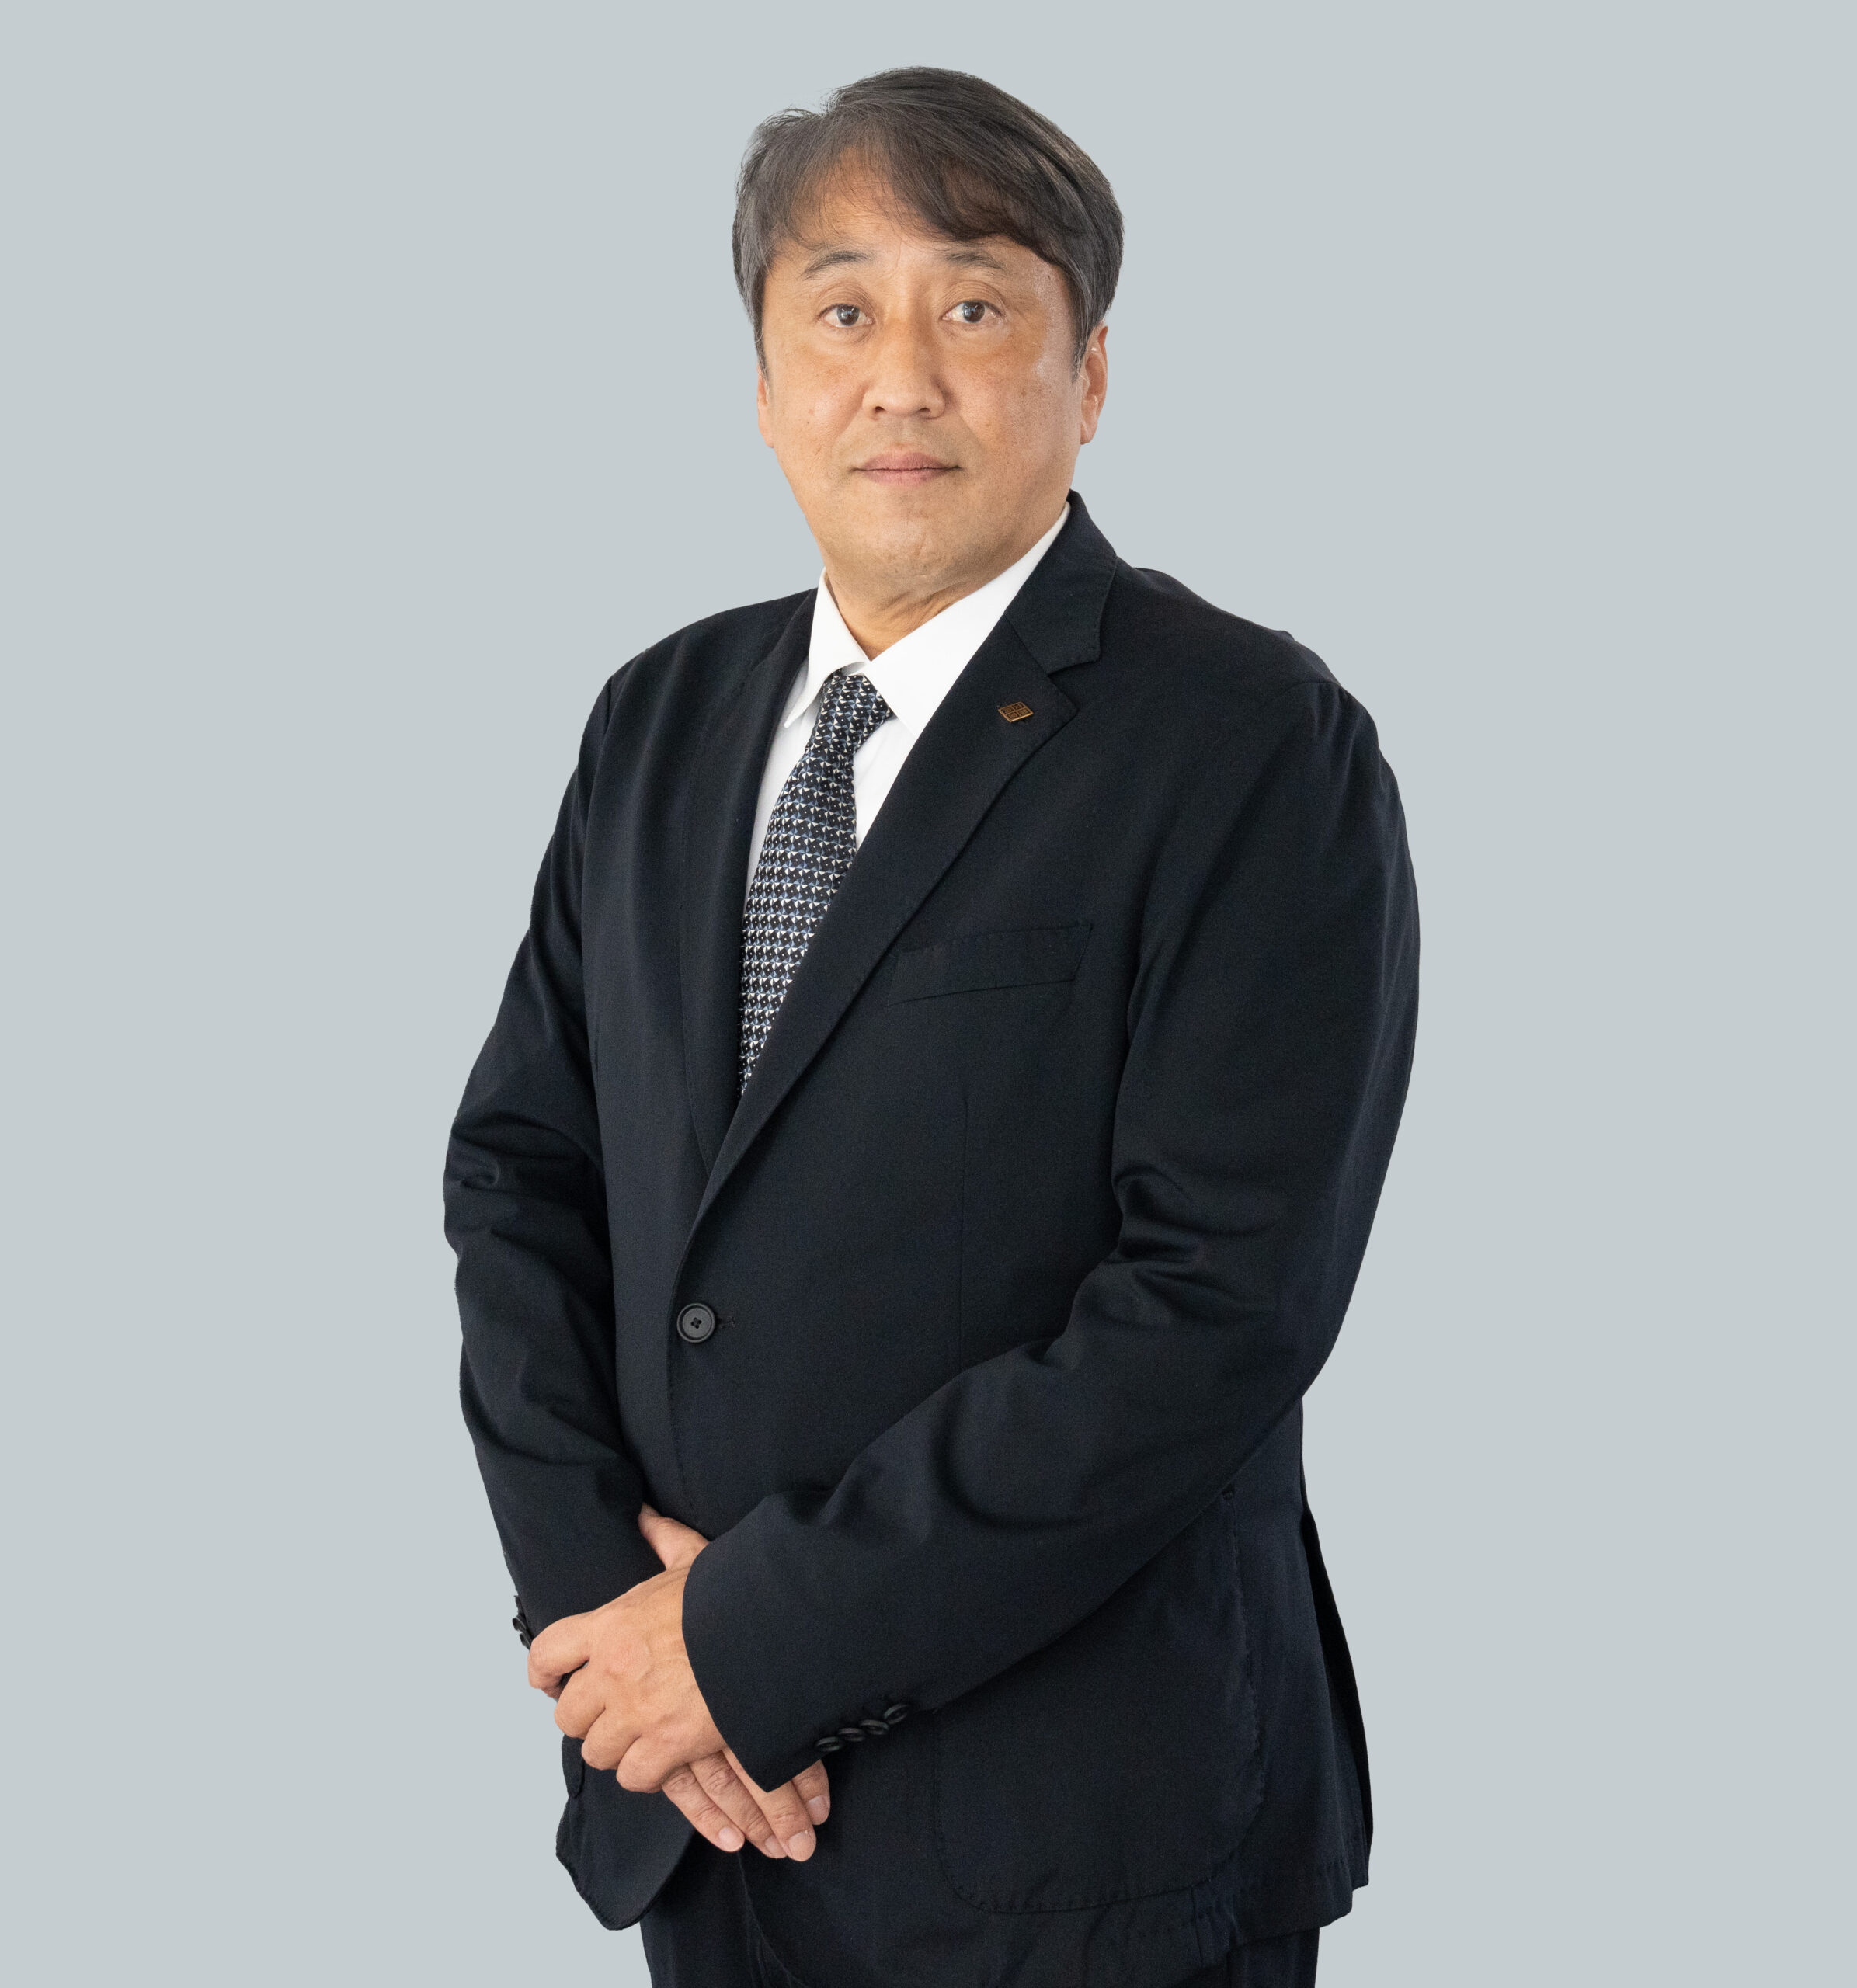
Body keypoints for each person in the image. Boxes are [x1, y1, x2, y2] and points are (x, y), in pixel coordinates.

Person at [445, 65, 1418, 1988]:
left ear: (1089, 372)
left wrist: (746, 1645)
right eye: (839, 311)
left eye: (974, 306)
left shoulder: (1248, 743)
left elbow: (1213, 1304)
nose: (899, 377)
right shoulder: (658, 719)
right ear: (763, 384)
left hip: (1089, 1845)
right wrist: (608, 1614)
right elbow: (520, 1171)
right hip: (707, 1822)